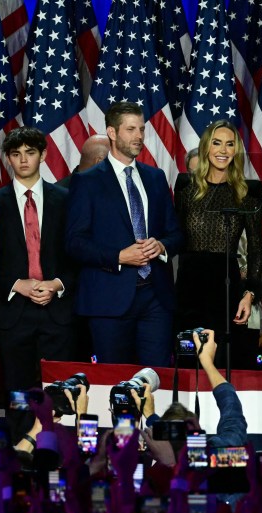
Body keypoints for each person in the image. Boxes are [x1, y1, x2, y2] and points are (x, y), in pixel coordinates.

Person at [65, 101, 183, 366]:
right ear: (112, 132)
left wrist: (161, 247)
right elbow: (74, 242)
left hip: (156, 298)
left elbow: (176, 233)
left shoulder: (156, 178)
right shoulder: (88, 182)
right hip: (109, 301)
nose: (139, 136)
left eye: (141, 129)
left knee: (156, 381)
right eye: (131, 129)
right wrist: (118, 256)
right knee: (115, 383)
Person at [0, 127, 75, 393]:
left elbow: (78, 255)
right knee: (18, 393)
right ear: (8, 159)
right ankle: (21, 436)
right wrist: (16, 284)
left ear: (44, 155)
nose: (23, 159)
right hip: (12, 314)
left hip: (58, 313)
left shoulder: (67, 200)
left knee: (61, 392)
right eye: (16, 154)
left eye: (30, 152)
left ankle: (58, 436)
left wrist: (57, 284)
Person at [172, 121, 262, 369]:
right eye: (216, 142)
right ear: (206, 148)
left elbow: (256, 249)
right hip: (188, 287)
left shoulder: (249, 192)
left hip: (226, 287)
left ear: (236, 151)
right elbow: (173, 238)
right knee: (189, 364)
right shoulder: (185, 187)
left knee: (222, 364)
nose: (223, 150)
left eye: (230, 144)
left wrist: (249, 294)